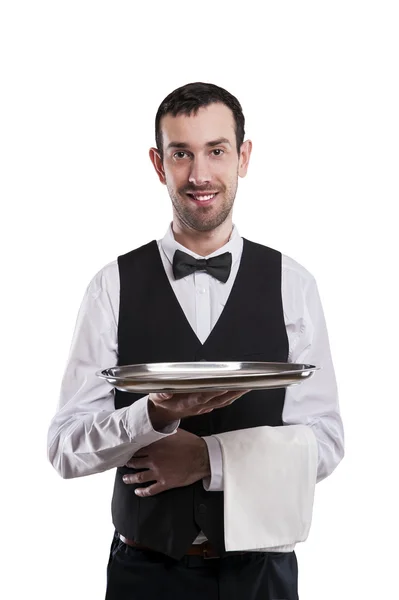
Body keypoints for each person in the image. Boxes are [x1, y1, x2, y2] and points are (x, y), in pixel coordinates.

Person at [47, 82, 344, 600]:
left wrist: (210, 459)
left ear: (243, 157)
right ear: (159, 164)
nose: (200, 175)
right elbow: (65, 448)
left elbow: (325, 441)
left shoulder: (293, 284)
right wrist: (152, 417)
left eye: (216, 151)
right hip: (144, 572)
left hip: (263, 575)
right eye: (181, 153)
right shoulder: (111, 285)